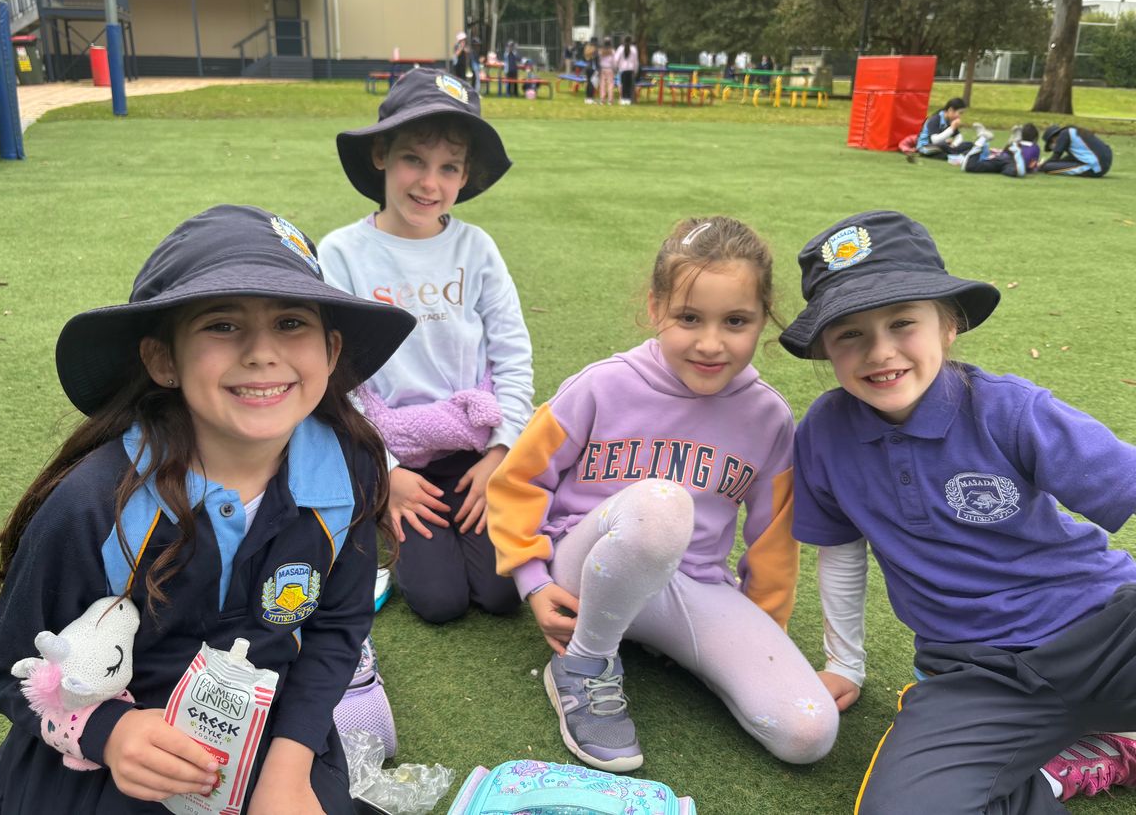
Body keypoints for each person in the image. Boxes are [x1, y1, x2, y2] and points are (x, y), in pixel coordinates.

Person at [0, 205, 416, 814]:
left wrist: (288, 768)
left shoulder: (350, 470)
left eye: (290, 322)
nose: (261, 353)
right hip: (110, 765)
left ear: (331, 351)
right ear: (163, 360)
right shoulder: (96, 503)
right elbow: (6, 669)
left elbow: (336, 627)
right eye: (222, 325)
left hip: (272, 743)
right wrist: (108, 733)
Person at [780, 209, 1136, 814]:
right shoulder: (822, 433)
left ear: (948, 326)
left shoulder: (1010, 409)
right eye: (850, 334)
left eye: (902, 323)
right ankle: (1070, 765)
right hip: (975, 675)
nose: (880, 351)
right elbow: (839, 552)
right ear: (825, 351)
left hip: (1102, 632)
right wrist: (844, 664)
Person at [488, 217, 840, 773]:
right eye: (689, 318)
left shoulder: (769, 417)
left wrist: (756, 642)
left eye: (736, 321)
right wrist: (531, 580)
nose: (710, 343)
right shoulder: (601, 385)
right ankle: (584, 664)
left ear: (763, 318)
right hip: (583, 574)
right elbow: (518, 482)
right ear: (655, 308)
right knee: (661, 505)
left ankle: (661, 647)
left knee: (808, 731)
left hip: (689, 586)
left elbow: (773, 543)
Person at [318, 68, 531, 625]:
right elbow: (334, 376)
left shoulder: (476, 248)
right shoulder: (342, 254)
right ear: (381, 155)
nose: (429, 183)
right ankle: (371, 510)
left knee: (503, 593)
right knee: (441, 601)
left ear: (465, 175)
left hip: (469, 447)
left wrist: (500, 455)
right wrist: (385, 474)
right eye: (414, 159)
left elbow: (511, 352)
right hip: (390, 450)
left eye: (448, 167)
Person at [957, 122, 1041, 177]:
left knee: (970, 167)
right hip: (1010, 162)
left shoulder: (1022, 146)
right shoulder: (1035, 147)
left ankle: (982, 138)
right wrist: (1037, 167)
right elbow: (1031, 166)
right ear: (1035, 138)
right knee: (1018, 172)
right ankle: (1014, 141)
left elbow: (1005, 152)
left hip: (1002, 159)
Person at [1039, 124, 1113, 177]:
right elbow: (1067, 159)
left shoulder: (1064, 134)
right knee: (1051, 165)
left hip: (1093, 167)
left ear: (1054, 137)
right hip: (1103, 166)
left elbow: (1055, 158)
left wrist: (1040, 166)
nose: (1053, 145)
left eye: (1051, 142)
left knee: (1047, 167)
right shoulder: (1073, 132)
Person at [615, 35, 639, 106]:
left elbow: (616, 59)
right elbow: (636, 61)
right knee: (629, 86)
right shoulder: (634, 49)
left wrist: (616, 67)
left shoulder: (620, 48)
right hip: (631, 70)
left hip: (622, 70)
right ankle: (628, 100)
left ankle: (623, 99)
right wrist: (635, 70)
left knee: (623, 85)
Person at [598, 36, 616, 106]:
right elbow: (614, 61)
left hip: (602, 68)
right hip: (610, 69)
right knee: (610, 85)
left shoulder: (601, 51)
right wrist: (614, 68)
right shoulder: (612, 51)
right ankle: (610, 101)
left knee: (602, 85)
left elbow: (599, 60)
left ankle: (602, 100)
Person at [583, 36, 600, 105]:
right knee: (592, 84)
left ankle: (587, 98)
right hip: (593, 68)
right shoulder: (595, 50)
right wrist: (598, 69)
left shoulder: (587, 48)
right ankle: (590, 98)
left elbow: (585, 58)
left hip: (587, 67)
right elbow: (596, 60)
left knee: (588, 83)